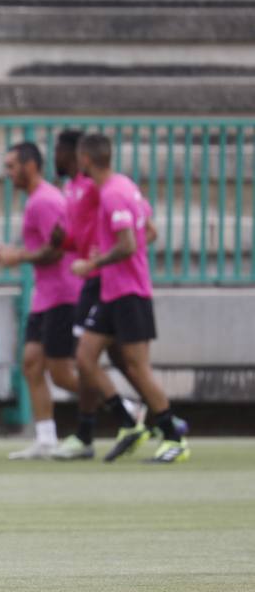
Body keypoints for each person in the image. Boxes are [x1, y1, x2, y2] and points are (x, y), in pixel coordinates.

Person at [70, 134, 188, 463]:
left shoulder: (111, 194)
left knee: (137, 367)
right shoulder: (125, 186)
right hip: (113, 291)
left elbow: (129, 244)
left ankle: (173, 434)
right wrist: (110, 254)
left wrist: (93, 262)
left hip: (129, 292)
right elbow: (148, 231)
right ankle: (129, 420)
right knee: (85, 358)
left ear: (86, 161)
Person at [49, 129, 145, 460]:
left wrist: (102, 260)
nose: (56, 158)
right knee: (105, 359)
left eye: (59, 151)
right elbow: (81, 234)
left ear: (78, 155)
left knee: (89, 358)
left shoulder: (99, 187)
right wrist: (65, 242)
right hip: (95, 280)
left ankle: (129, 417)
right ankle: (91, 431)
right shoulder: (73, 188)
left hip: (102, 281)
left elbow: (139, 225)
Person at [0, 142, 82, 460]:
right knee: (31, 364)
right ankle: (46, 438)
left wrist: (16, 256)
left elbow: (57, 249)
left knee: (61, 373)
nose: (8, 174)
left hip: (62, 293)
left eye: (11, 166)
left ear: (30, 165)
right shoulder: (37, 200)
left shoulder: (44, 201)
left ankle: (125, 407)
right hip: (45, 296)